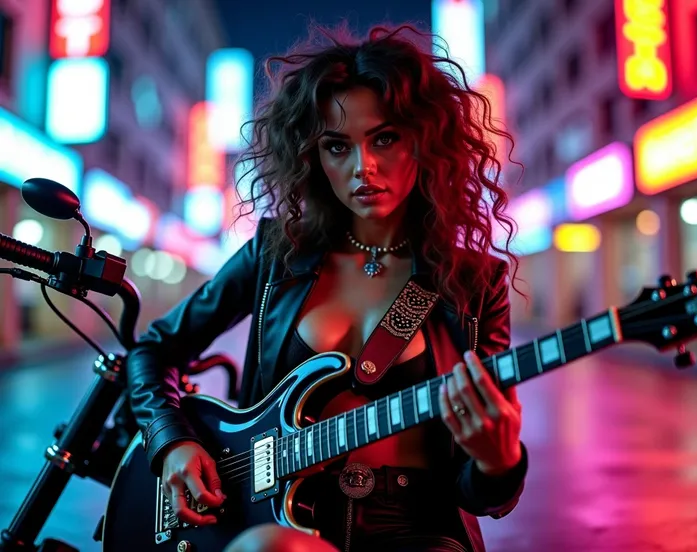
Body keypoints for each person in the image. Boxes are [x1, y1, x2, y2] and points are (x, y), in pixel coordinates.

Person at [127, 24, 528, 552]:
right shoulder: (276, 254)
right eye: (337, 146)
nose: (363, 168)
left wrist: (499, 460)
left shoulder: (473, 283)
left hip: (417, 529)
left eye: (385, 138)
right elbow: (153, 349)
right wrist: (171, 439)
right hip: (273, 516)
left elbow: (483, 497)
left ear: (423, 141)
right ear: (312, 157)